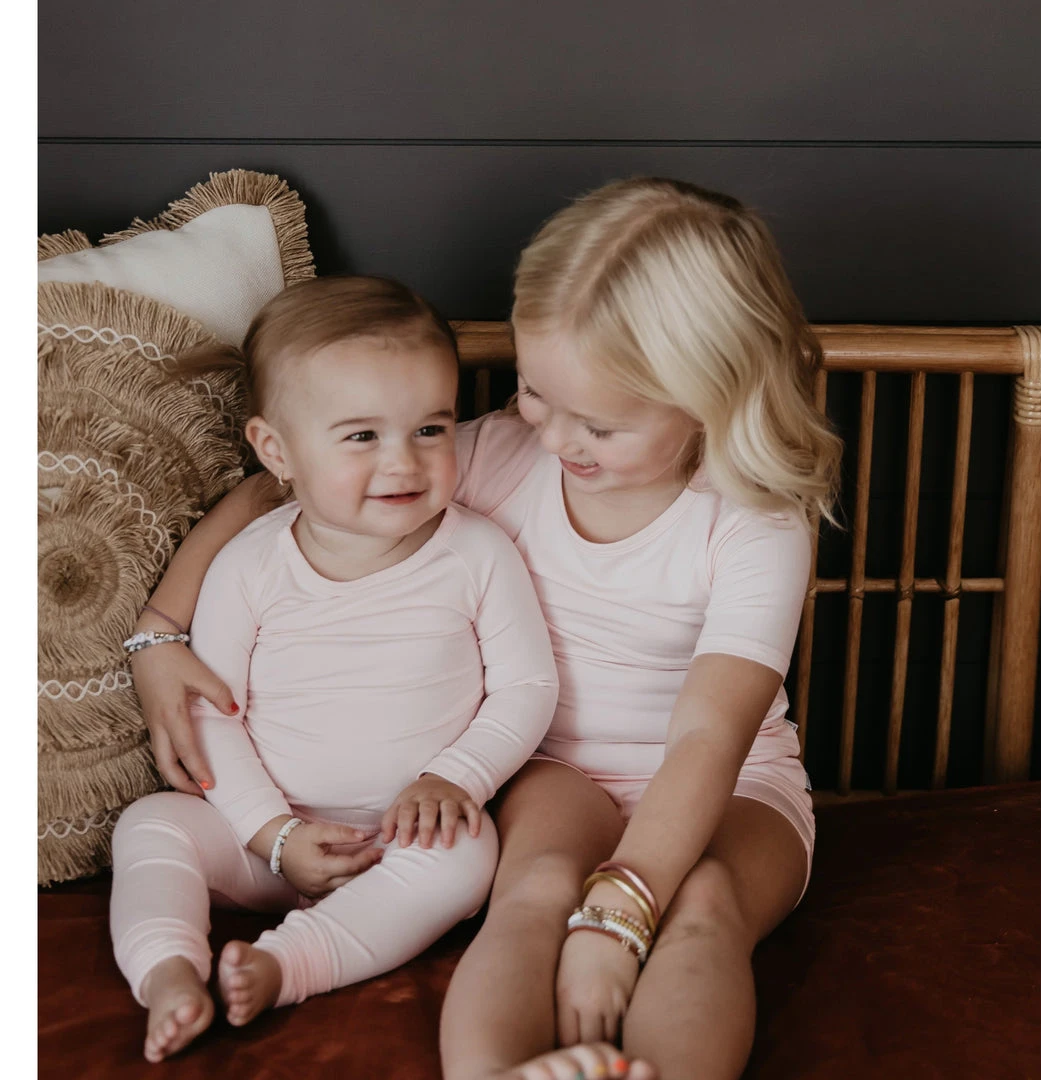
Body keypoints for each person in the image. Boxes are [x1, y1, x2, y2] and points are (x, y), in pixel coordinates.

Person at [128, 178, 842, 1080]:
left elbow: (709, 737)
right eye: (535, 393)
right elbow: (283, 490)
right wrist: (159, 634)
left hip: (733, 784)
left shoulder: (753, 521)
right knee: (534, 894)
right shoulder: (502, 455)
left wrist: (619, 917)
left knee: (701, 905)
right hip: (557, 770)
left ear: (710, 395)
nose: (555, 439)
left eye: (598, 425)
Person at [110, 275, 559, 1064]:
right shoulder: (250, 564)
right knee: (150, 826)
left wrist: (457, 778)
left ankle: (291, 964)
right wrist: (273, 835)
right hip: (260, 837)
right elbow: (212, 709)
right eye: (361, 437)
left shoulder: (477, 553)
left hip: (402, 836)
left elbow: (526, 687)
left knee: (469, 853)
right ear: (276, 451)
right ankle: (167, 971)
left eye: (431, 428)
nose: (404, 462)